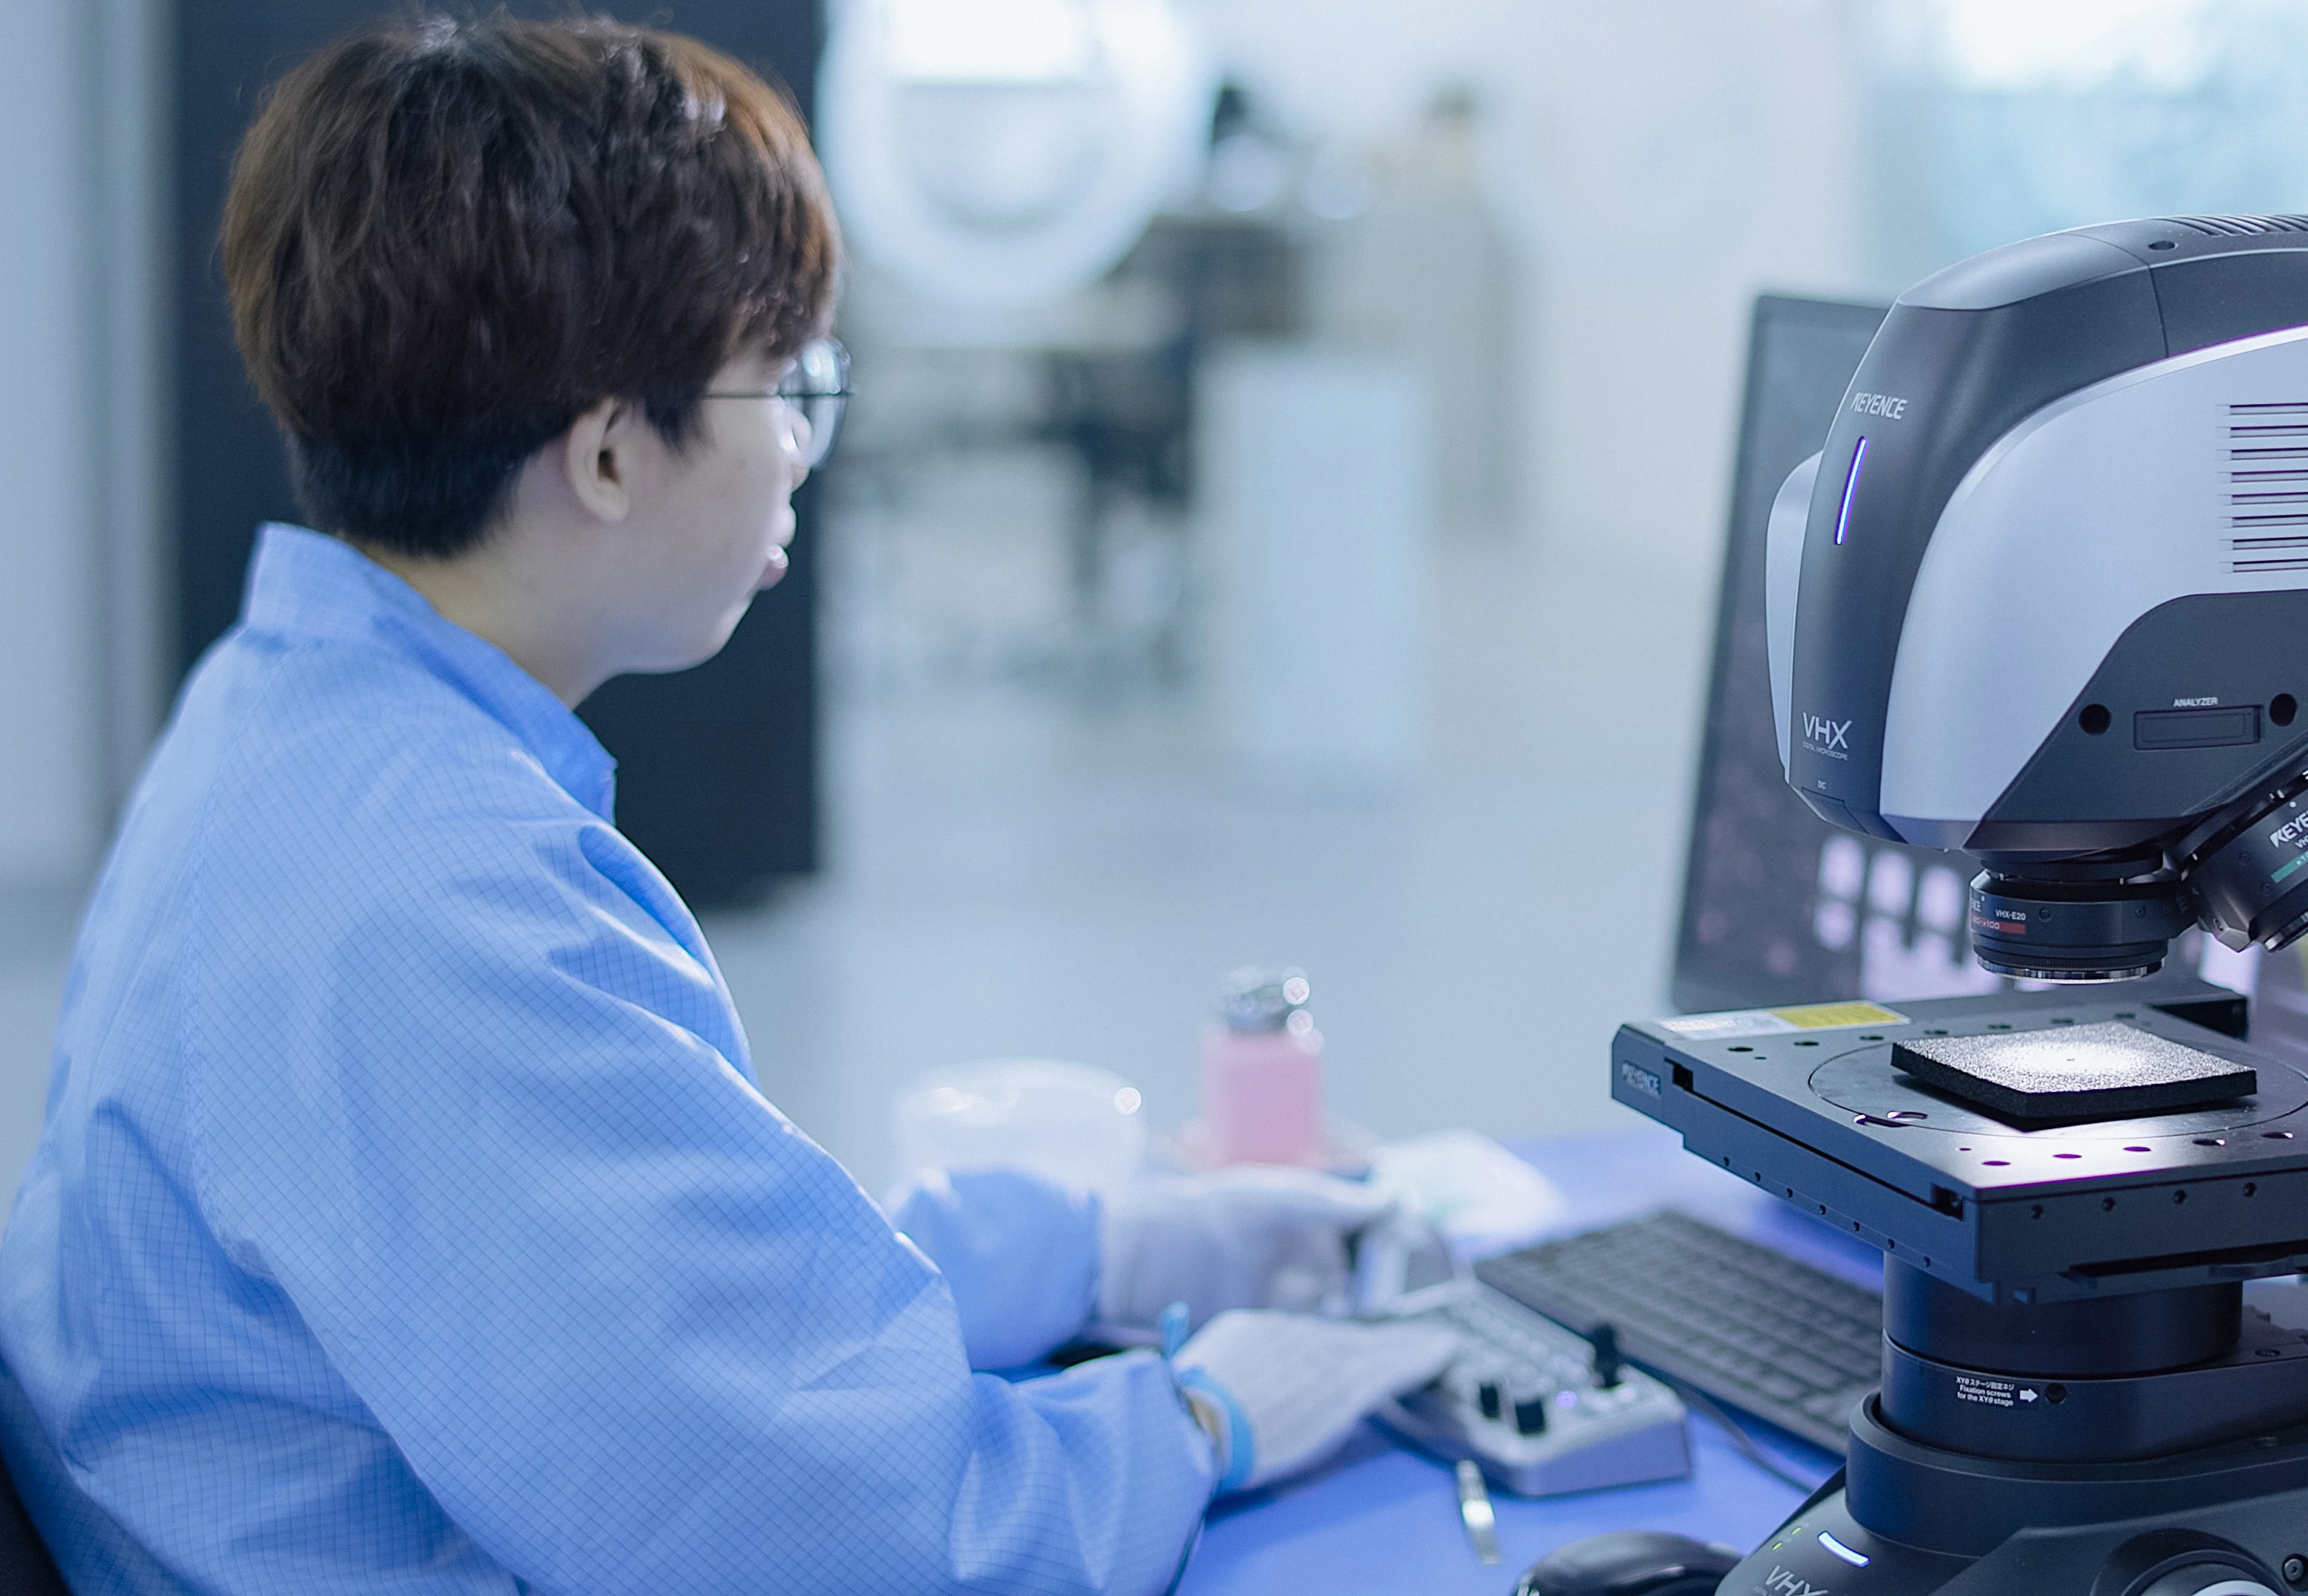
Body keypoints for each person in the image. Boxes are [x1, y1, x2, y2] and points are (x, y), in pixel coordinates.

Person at [0, 16, 1451, 1594]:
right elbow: (855, 1543)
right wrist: (1198, 1419)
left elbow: (654, 1292)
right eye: (788, 382)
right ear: (614, 453)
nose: (803, 454)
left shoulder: (291, 707)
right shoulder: (448, 906)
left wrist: (1087, 1252)